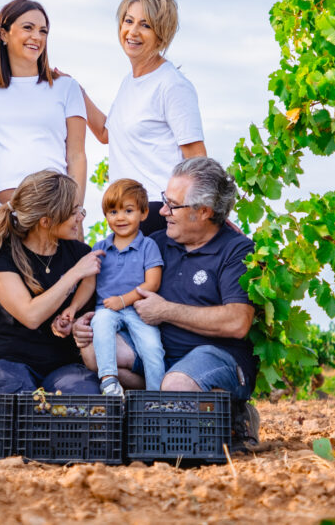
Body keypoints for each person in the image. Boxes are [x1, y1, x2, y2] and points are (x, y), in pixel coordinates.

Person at [73, 157, 260, 449]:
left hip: (216, 356)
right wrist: (86, 321)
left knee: (175, 385)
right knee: (95, 348)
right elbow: (116, 285)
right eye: (164, 200)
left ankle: (234, 413)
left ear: (203, 212)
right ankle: (154, 409)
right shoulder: (156, 243)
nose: (163, 211)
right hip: (159, 353)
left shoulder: (236, 251)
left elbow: (238, 322)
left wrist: (166, 311)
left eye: (172, 205)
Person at [0, 0, 87, 338]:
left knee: (64, 309)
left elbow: (77, 156)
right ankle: (4, 383)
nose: (36, 37)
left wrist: (75, 211)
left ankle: (60, 388)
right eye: (28, 27)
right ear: (3, 32)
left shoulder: (66, 88)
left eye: (43, 30)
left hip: (54, 218)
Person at [80, 0, 207, 236]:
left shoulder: (172, 85)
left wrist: (205, 220)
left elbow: (197, 159)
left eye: (145, 25)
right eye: (129, 21)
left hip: (158, 213)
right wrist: (77, 93)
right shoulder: (130, 82)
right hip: (126, 211)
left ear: (162, 35)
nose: (133, 31)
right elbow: (107, 134)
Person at [0, 170, 103, 393]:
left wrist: (80, 324)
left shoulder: (80, 253)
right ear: (46, 221)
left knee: (83, 402)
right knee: (22, 410)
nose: (81, 217)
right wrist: (73, 274)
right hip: (10, 363)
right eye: (74, 212)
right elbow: (31, 316)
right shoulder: (0, 255)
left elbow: (91, 310)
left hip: (66, 365)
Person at [81, 179, 165, 395]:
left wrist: (123, 300)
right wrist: (72, 310)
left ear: (143, 213)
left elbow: (152, 283)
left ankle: (157, 397)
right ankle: (109, 379)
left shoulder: (148, 246)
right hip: (107, 309)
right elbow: (89, 284)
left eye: (128, 211)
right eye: (113, 211)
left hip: (138, 309)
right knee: (100, 324)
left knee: (152, 348)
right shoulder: (100, 248)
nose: (120, 217)